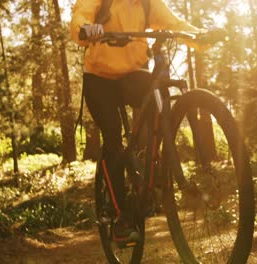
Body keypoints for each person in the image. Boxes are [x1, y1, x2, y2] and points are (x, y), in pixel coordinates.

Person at [70, 0, 202, 243]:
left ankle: (150, 162)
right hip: (100, 79)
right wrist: (86, 28)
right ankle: (120, 216)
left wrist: (200, 37)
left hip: (132, 74)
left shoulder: (146, 2)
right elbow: (81, 16)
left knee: (159, 91)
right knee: (112, 136)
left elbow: (174, 23)